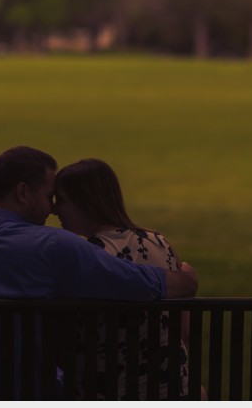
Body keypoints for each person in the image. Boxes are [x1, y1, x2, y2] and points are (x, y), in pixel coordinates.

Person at [0, 146, 198, 399]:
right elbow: (138, 283)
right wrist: (185, 279)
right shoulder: (51, 245)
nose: (52, 209)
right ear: (23, 193)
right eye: (49, 197)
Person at [53, 158, 193, 400]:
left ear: (84, 202)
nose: (54, 209)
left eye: (61, 200)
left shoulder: (90, 256)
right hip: (170, 388)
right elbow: (182, 326)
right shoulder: (159, 242)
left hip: (108, 392)